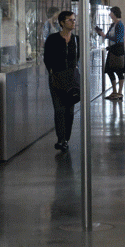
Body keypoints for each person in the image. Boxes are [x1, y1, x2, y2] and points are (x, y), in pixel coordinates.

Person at [44, 11, 79, 152]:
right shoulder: (53, 39)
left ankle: (66, 138)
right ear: (62, 22)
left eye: (74, 20)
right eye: (70, 20)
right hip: (57, 78)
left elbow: (78, 57)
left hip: (71, 79)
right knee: (59, 110)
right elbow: (47, 58)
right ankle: (61, 139)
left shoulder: (76, 39)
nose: (73, 22)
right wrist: (52, 72)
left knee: (69, 111)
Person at [95, 6, 125, 100]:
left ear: (114, 13)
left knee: (119, 70)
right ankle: (115, 91)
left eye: (111, 12)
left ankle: (119, 92)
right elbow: (108, 36)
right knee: (109, 70)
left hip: (118, 49)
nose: (109, 14)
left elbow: (118, 38)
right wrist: (101, 33)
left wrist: (105, 36)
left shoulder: (120, 24)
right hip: (112, 49)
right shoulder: (113, 24)